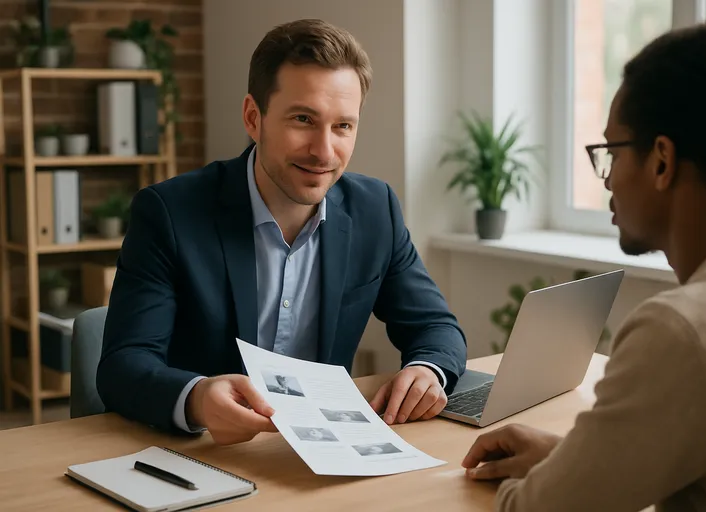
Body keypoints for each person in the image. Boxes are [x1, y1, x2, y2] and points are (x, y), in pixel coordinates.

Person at [96, 18, 467, 446]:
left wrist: (427, 370)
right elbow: (123, 365)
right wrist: (197, 398)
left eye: (343, 126)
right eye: (303, 119)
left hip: (323, 454)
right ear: (254, 119)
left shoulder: (374, 209)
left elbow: (435, 326)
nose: (324, 151)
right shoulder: (169, 213)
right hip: (204, 454)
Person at [462, 20, 706, 511]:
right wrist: (573, 459)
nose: (606, 182)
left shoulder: (683, 331)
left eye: (611, 152)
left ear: (662, 161)